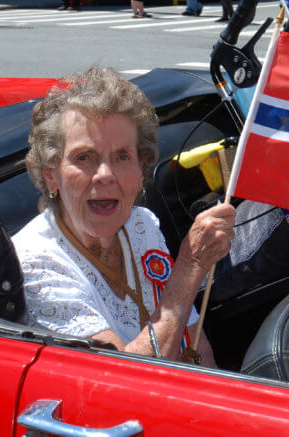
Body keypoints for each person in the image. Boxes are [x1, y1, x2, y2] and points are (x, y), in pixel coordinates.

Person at [14, 67, 235, 366]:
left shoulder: (142, 225)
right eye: (84, 157)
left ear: (141, 171)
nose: (105, 175)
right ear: (52, 176)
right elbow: (119, 377)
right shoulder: (35, 263)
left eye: (122, 157)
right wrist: (190, 268)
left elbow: (196, 345)